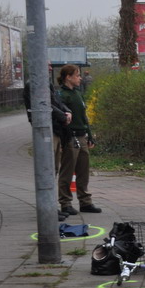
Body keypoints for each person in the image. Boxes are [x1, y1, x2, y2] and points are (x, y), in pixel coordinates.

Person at [24, 66, 73, 221]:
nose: (51, 68)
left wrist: (67, 111)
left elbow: (56, 101)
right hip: (46, 130)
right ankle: (47, 208)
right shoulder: (33, 84)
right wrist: (62, 116)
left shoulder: (46, 83)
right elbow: (43, 104)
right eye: (47, 64)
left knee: (54, 168)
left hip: (55, 129)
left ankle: (52, 206)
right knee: (48, 169)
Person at [57, 64, 101, 214]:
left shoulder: (77, 93)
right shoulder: (62, 95)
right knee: (67, 172)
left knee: (83, 171)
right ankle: (65, 203)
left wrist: (89, 134)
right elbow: (62, 118)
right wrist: (64, 139)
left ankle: (85, 201)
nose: (80, 78)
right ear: (68, 77)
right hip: (70, 137)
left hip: (82, 136)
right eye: (77, 75)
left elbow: (84, 117)